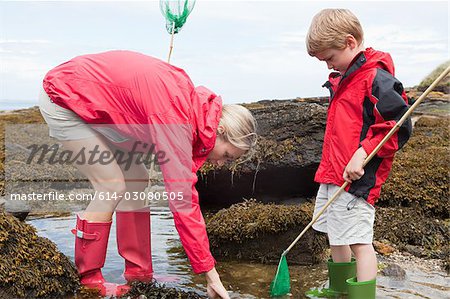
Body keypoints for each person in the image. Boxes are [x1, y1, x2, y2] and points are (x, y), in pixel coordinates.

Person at [38, 50, 257, 298]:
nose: (222, 164)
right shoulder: (176, 119)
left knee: (137, 178)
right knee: (111, 185)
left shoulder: (190, 109)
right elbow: (183, 204)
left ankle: (139, 276)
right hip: (65, 98)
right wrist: (210, 274)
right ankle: (89, 280)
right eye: (228, 155)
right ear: (220, 129)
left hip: (103, 108)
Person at [305, 9, 412, 298]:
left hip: (357, 177)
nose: (328, 64)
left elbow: (396, 128)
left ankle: (362, 295)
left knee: (358, 241)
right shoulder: (344, 80)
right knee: (334, 232)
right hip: (333, 172)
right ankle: (340, 289)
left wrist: (362, 153)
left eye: (330, 58)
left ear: (350, 42)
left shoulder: (377, 78)